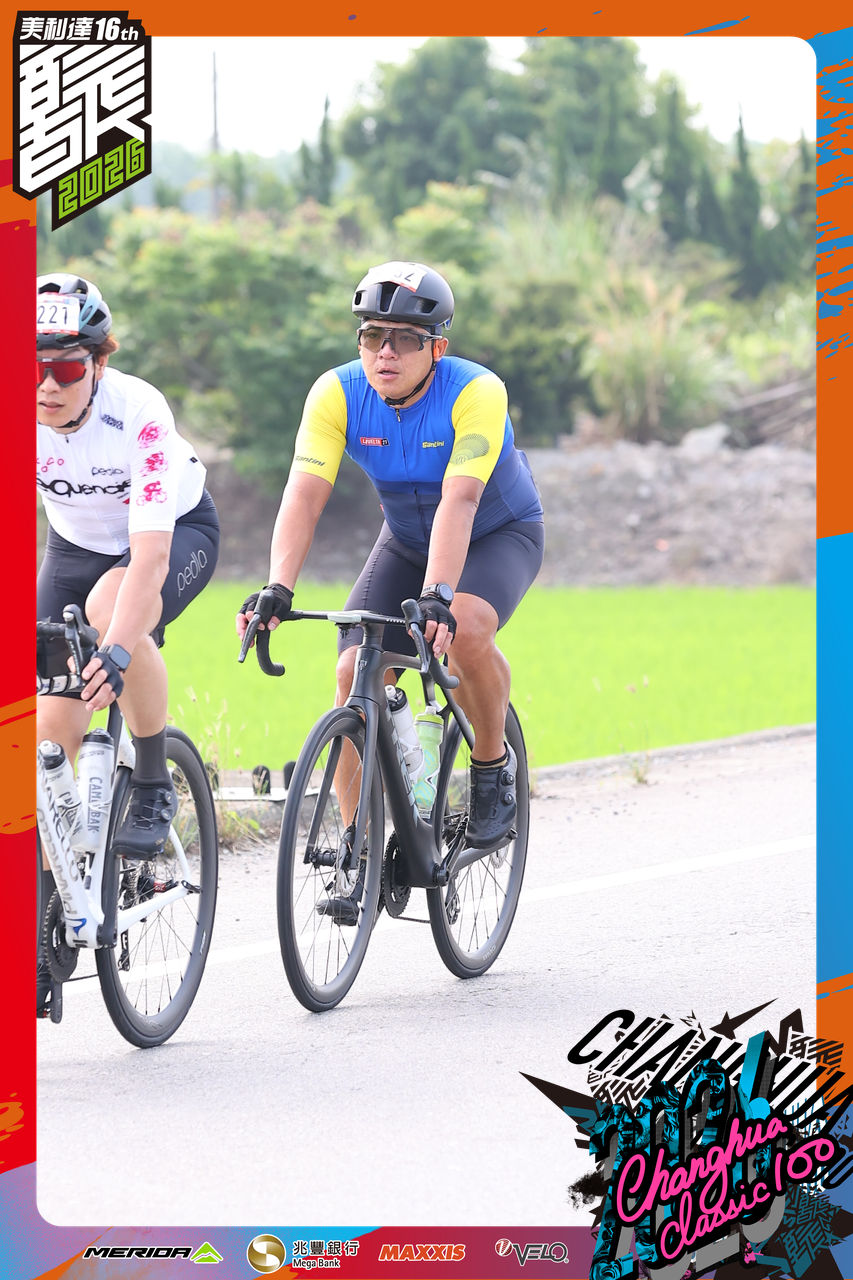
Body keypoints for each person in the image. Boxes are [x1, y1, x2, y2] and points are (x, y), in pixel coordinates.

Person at [237, 261, 544, 880]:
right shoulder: (336, 393)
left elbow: (460, 499)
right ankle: (359, 849)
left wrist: (438, 595)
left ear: (437, 349)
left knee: (465, 632)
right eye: (373, 335)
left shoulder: (477, 390)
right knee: (353, 668)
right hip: (406, 540)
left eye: (405, 339)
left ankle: (491, 769)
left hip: (495, 533)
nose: (385, 352)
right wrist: (278, 587)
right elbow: (304, 495)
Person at [37, 273, 220, 1014]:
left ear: (98, 363)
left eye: (65, 367)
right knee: (44, 732)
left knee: (114, 611)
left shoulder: (138, 411)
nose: (46, 385)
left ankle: (150, 778)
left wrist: (114, 651)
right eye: (30, 368)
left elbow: (148, 561)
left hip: (171, 538)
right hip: (73, 548)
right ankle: (45, 908)